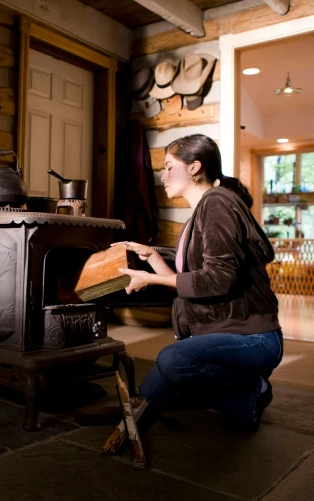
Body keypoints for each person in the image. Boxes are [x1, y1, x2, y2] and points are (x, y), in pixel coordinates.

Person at [115, 133, 282, 430]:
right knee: (148, 398)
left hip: (251, 337)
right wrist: (153, 257)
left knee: (172, 362)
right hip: (214, 335)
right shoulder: (198, 214)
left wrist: (151, 279)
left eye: (169, 166)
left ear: (193, 167)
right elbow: (189, 280)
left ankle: (253, 388)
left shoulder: (216, 203)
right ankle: (239, 403)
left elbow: (219, 280)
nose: (163, 176)